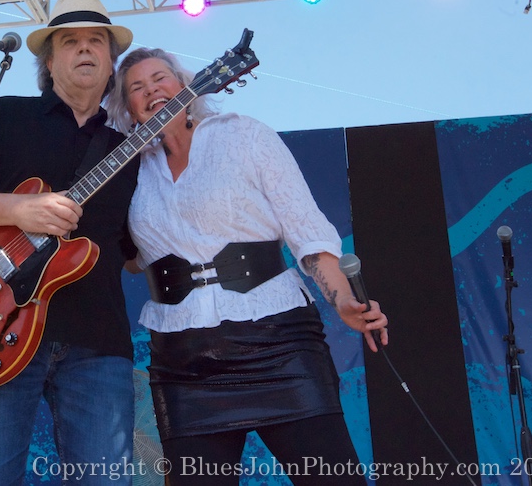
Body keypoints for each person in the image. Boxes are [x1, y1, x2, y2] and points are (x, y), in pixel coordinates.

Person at [106, 48, 390, 485]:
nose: (152, 91)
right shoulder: (129, 171)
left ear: (184, 85)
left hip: (277, 344)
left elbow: (307, 230)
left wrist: (343, 301)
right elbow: (129, 259)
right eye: (137, 88)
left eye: (160, 78)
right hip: (182, 363)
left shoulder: (243, 135)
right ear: (128, 109)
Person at [0, 0, 140, 485]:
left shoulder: (128, 151)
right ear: (48, 60)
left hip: (98, 342)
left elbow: (134, 255)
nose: (84, 48)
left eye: (96, 41)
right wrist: (20, 209)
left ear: (111, 62)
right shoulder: (4, 115)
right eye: (70, 41)